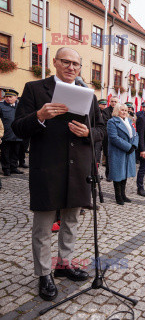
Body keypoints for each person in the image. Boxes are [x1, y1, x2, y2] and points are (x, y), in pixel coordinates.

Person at [11, 47, 105, 301]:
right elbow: (17, 128)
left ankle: (64, 264)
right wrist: (39, 116)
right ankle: (44, 274)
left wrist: (88, 134)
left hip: (78, 170)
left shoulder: (88, 94)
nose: (71, 67)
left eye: (76, 64)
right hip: (47, 169)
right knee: (43, 227)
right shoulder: (34, 89)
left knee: (71, 222)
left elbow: (101, 129)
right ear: (54, 62)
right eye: (65, 61)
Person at [107, 104, 138, 205]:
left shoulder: (129, 121)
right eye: (122, 110)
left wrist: (134, 145)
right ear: (117, 111)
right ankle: (118, 196)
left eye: (126, 110)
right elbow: (113, 137)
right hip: (118, 151)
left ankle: (123, 194)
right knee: (118, 174)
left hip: (128, 151)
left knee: (125, 173)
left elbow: (135, 134)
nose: (124, 112)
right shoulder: (112, 121)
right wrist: (128, 147)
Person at [0, 89, 24, 176]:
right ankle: (6, 168)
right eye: (6, 96)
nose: (8, 98)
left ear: (16, 97)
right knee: (5, 153)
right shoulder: (1, 106)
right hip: (6, 134)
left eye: (10, 97)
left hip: (18, 134)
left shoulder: (20, 106)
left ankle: (14, 167)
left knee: (15, 152)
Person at [101, 96, 117, 181]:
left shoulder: (119, 111)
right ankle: (108, 174)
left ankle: (115, 174)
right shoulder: (106, 111)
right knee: (108, 156)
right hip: (108, 137)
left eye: (115, 101)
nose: (114, 103)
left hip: (117, 137)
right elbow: (105, 122)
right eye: (112, 101)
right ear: (110, 102)